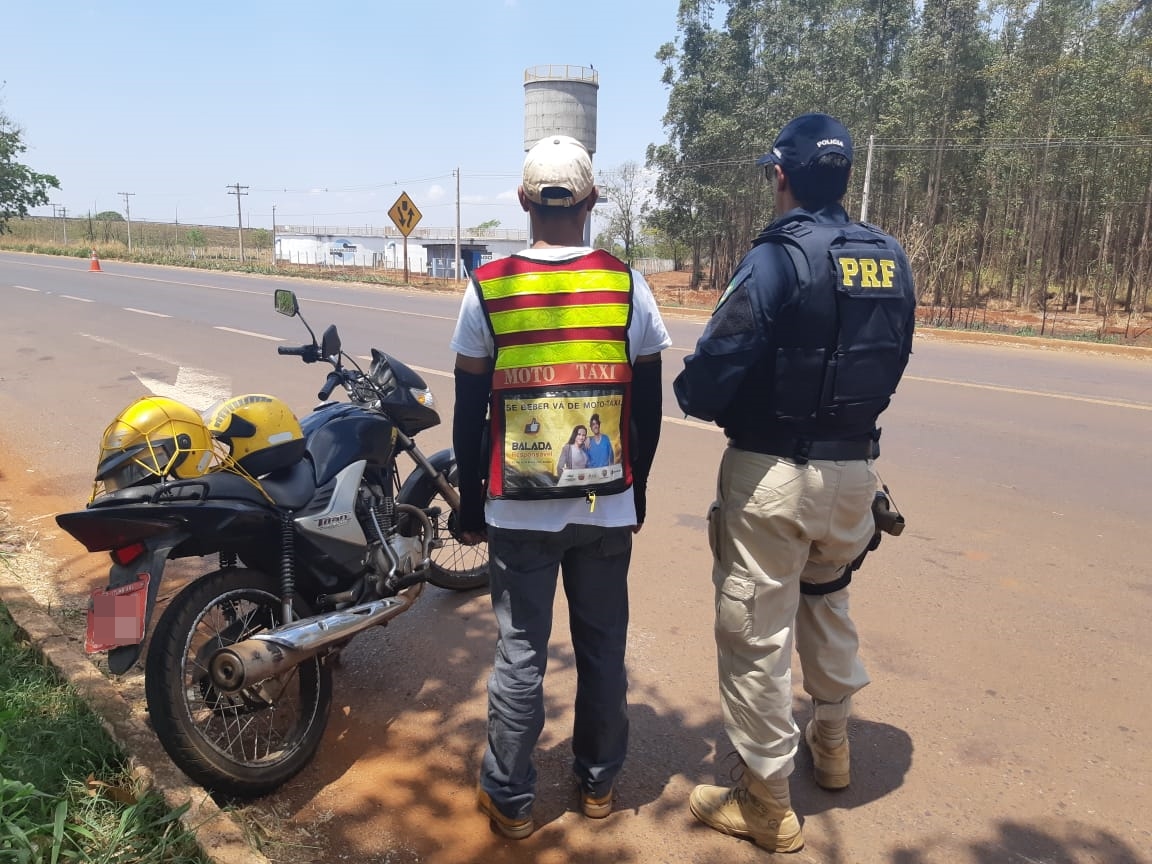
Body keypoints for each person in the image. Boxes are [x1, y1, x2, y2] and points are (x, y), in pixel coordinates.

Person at [673, 113, 916, 853]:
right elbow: (894, 355)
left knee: (755, 633)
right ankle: (833, 745)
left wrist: (703, 398)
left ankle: (767, 803)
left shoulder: (778, 258)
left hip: (774, 475)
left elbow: (710, 373)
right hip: (855, 472)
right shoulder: (888, 256)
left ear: (780, 176)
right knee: (828, 598)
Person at [451, 134, 671, 839]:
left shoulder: (489, 286)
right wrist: (636, 494)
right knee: (603, 647)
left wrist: (470, 504)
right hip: (605, 505)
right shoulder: (625, 283)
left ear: (523, 201)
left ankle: (511, 801)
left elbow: (467, 405)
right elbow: (646, 409)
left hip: (518, 508)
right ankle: (599, 787)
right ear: (592, 200)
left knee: (520, 651)